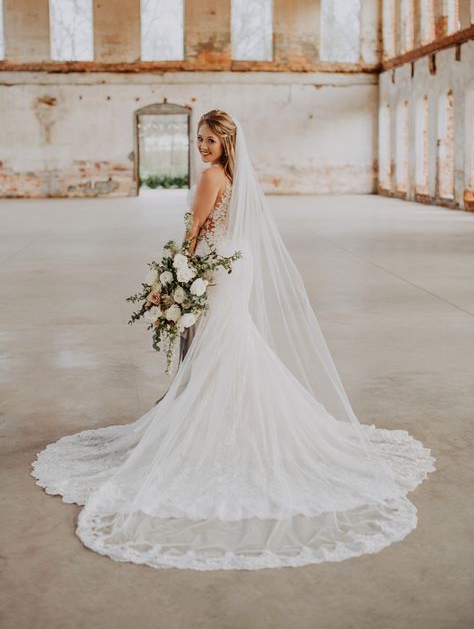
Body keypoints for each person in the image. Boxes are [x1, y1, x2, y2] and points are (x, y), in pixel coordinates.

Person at [31, 110, 435, 571]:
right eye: (198, 139)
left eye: (209, 140)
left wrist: (174, 278)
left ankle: (209, 424)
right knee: (228, 341)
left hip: (210, 272)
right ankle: (235, 418)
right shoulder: (238, 178)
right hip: (232, 268)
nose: (201, 146)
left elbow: (193, 232)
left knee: (217, 345)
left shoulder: (209, 177)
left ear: (226, 142)